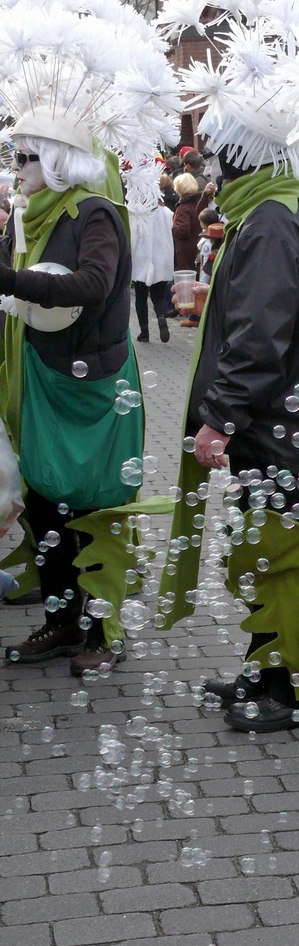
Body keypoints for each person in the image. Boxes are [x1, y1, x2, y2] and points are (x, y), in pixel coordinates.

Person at [160, 144, 299, 734]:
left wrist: (219, 417)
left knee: (286, 563)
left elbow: (260, 333)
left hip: (277, 428)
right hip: (283, 424)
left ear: (248, 156)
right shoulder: (284, 207)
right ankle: (265, 669)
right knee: (266, 555)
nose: (214, 170)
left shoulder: (270, 218)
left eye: (223, 157)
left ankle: (295, 693)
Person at [0, 107, 143, 673]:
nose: (16, 169)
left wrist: (11, 280)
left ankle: (102, 632)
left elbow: (93, 283)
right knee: (43, 501)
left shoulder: (94, 214)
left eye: (24, 157)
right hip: (47, 377)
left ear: (57, 161)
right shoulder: (29, 216)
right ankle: (62, 624)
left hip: (96, 388)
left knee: (96, 506)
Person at [130, 198, 173, 343]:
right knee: (158, 296)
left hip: (141, 258)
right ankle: (161, 317)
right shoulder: (166, 212)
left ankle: (144, 332)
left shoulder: (137, 212)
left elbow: (133, 237)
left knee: (140, 296)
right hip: (162, 257)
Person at [172, 173, 205, 273]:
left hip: (186, 251)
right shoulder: (201, 202)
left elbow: (183, 230)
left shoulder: (184, 208)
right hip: (199, 245)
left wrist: (171, 227)